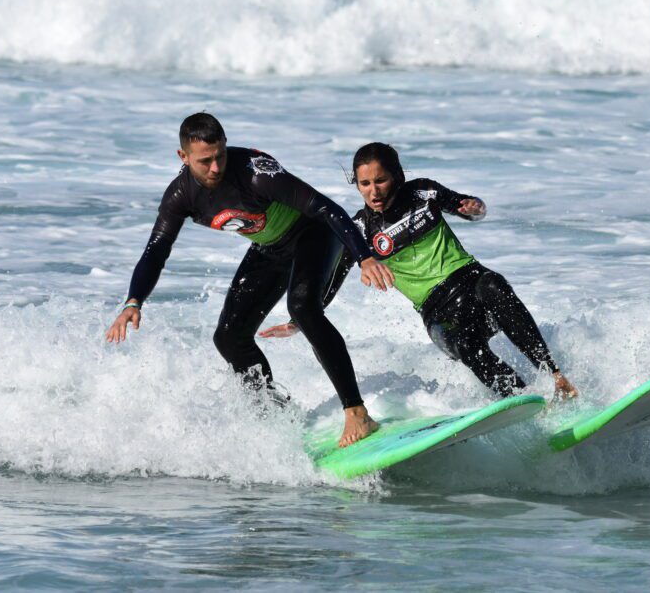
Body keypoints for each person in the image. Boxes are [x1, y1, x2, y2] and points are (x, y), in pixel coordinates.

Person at [105, 114, 395, 447]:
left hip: (313, 233)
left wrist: (364, 256)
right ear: (183, 157)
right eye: (205, 161)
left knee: (303, 308)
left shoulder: (255, 174)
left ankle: (357, 412)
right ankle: (275, 418)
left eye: (221, 155)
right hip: (271, 247)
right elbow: (156, 250)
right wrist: (133, 301)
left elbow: (325, 208)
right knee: (228, 338)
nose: (216, 167)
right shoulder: (180, 196)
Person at [261, 142, 578, 400]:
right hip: (438, 314)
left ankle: (556, 376)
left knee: (493, 283)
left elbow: (466, 206)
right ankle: (524, 401)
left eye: (380, 180)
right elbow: (331, 282)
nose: (374, 191)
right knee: (468, 347)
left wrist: (474, 208)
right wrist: (299, 320)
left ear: (397, 176)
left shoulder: (422, 193)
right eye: (365, 183)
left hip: (470, 284)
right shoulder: (358, 230)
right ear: (356, 185)